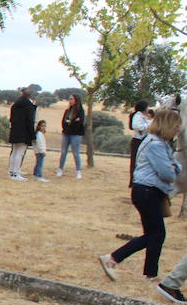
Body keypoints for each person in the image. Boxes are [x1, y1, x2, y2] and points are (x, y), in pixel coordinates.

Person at [100, 108, 182, 284]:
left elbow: (176, 166)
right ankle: (113, 258)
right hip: (147, 192)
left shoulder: (160, 143)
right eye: (176, 127)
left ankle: (149, 274)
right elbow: (168, 173)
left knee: (154, 234)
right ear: (167, 125)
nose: (177, 131)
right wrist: (174, 169)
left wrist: (174, 168)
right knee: (156, 234)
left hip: (148, 192)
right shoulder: (156, 145)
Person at [8, 86, 37, 180]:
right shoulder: (29, 106)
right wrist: (33, 135)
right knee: (20, 153)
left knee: (14, 151)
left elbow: (11, 118)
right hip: (24, 132)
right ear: (30, 95)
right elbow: (30, 122)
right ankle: (15, 173)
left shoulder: (15, 104)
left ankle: (11, 171)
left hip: (15, 130)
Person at [57, 94, 86, 178]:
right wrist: (71, 122)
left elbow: (78, 123)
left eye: (71, 99)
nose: (70, 101)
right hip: (66, 133)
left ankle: (78, 171)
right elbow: (64, 122)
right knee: (63, 152)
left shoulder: (80, 111)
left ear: (76, 100)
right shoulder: (67, 111)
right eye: (69, 99)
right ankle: (60, 169)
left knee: (76, 153)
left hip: (76, 134)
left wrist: (70, 122)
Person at [130, 99, 152, 188]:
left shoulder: (144, 116)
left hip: (143, 140)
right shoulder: (138, 116)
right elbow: (135, 126)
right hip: (138, 141)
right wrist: (147, 126)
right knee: (136, 161)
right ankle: (134, 180)